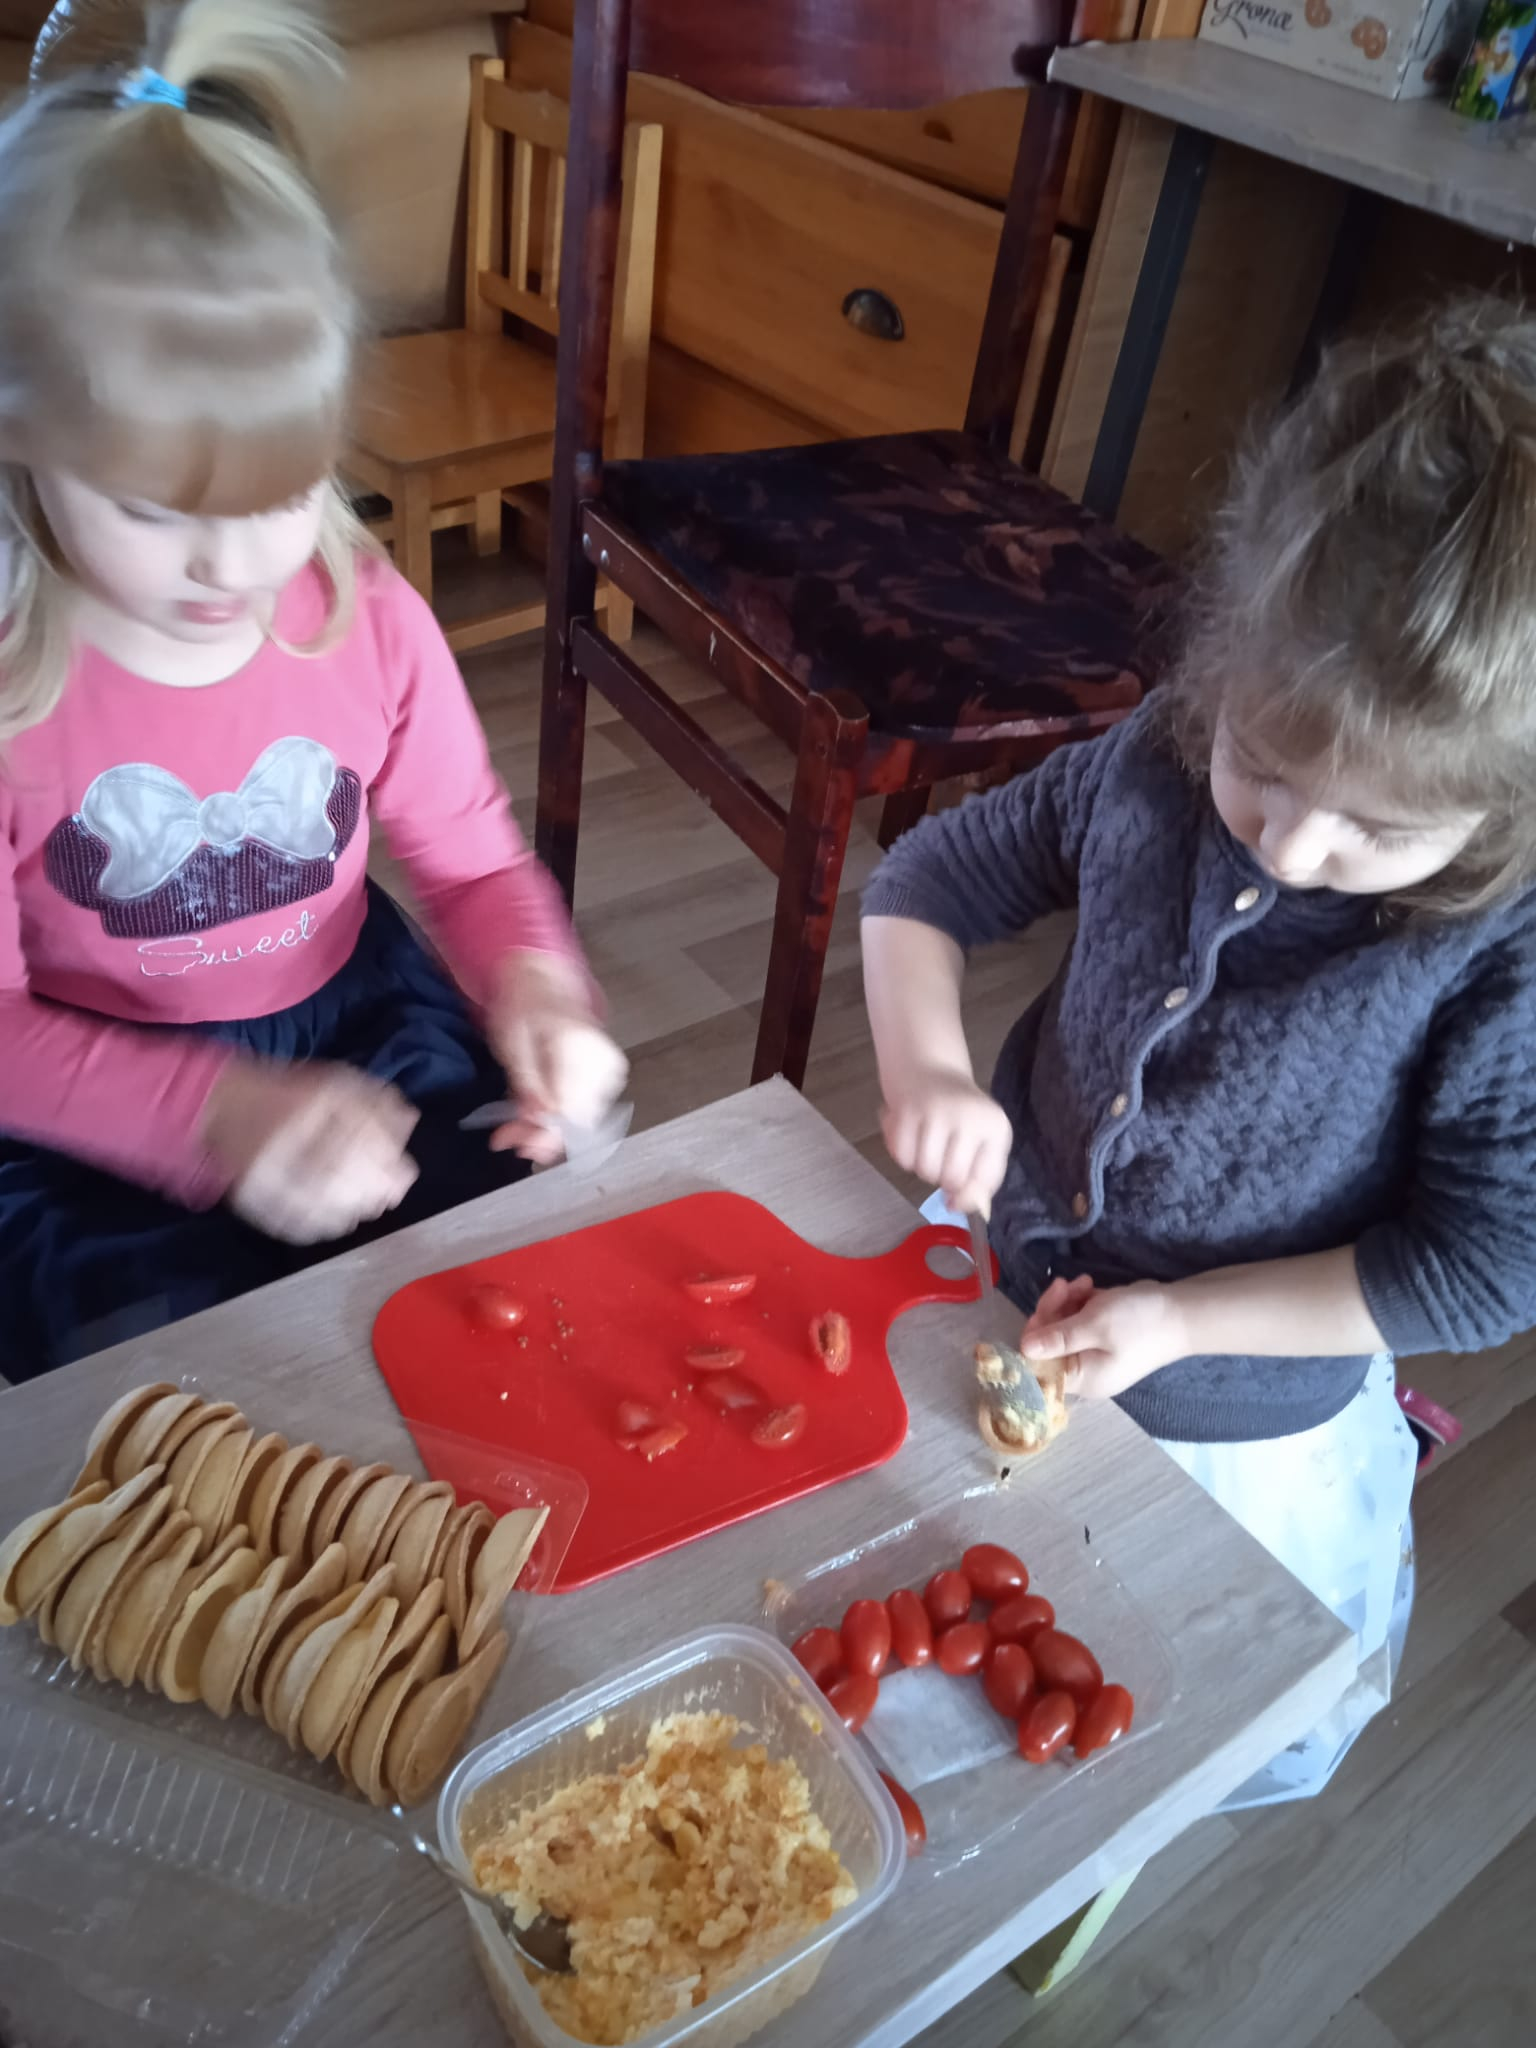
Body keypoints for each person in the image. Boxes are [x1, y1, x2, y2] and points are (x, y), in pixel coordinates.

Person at [861, 295, 1536, 1805]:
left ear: (1498, 816)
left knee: (1143, 1723)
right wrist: (928, 1067)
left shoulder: (1498, 946)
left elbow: (1484, 1268)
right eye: (1263, 764)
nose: (1291, 846)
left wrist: (1179, 1323)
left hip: (1237, 1405)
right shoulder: (1161, 752)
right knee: (934, 1656)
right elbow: (931, 881)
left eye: (1379, 830)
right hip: (998, 1277)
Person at [0, 0, 627, 1381]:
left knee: (504, 1298)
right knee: (157, 1391)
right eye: (152, 505)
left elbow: (473, 866)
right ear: (22, 437)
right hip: (82, 1087)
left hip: (360, 1019)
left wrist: (538, 989)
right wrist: (209, 1116)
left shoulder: (370, 619)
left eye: (282, 489)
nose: (230, 563)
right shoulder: (12, 690)